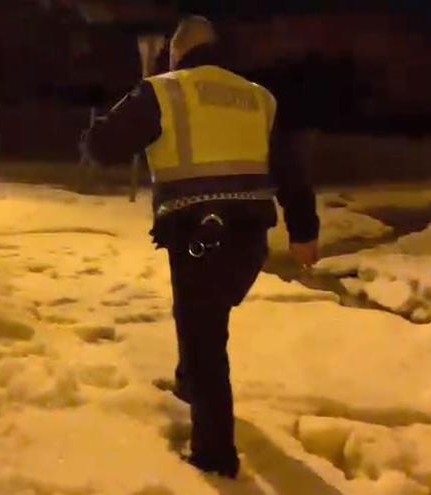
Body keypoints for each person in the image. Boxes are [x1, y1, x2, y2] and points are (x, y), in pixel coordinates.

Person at [81, 16, 320, 479]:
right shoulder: (258, 97)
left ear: (176, 54)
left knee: (204, 337)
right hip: (251, 241)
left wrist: (112, 117)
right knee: (201, 319)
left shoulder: (164, 91)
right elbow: (292, 170)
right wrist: (304, 231)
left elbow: (105, 146)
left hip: (200, 233)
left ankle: (215, 458)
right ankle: (188, 383)